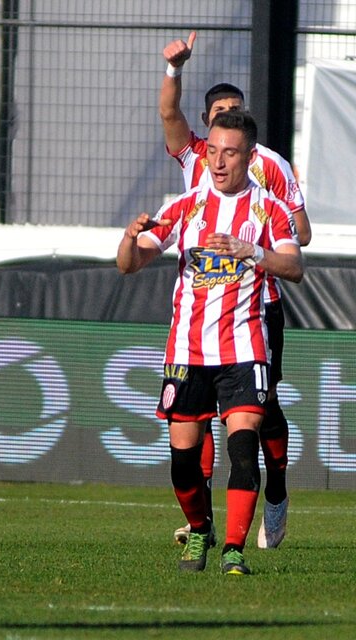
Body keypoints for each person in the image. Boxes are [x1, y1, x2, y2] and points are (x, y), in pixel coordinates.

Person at [117, 110, 303, 574]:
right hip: (187, 351)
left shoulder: (269, 209)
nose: (218, 162)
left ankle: (234, 552)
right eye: (213, 151)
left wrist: (253, 252)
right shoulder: (186, 205)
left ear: (249, 156)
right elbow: (130, 264)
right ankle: (200, 532)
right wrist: (128, 238)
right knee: (183, 462)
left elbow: (294, 267)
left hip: (244, 349)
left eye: (230, 153)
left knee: (242, 449)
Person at [160, 31, 311, 551]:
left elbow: (300, 236)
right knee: (193, 423)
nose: (228, 116)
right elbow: (167, 117)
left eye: (236, 110)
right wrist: (175, 70)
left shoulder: (270, 168)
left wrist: (257, 245)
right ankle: (201, 519)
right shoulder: (196, 160)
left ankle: (274, 494)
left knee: (257, 410)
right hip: (201, 302)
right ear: (207, 124)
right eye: (220, 110)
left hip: (255, 305)